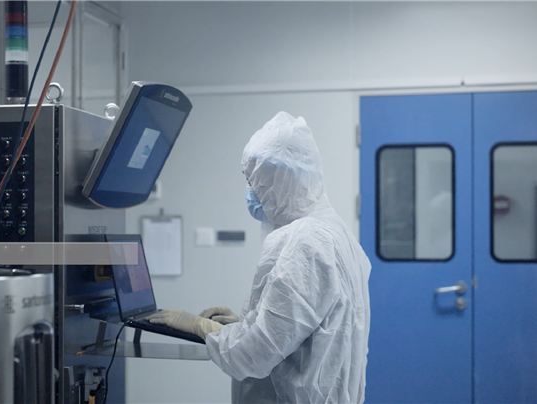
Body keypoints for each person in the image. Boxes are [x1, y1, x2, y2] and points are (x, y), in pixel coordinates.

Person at [147, 111, 371, 403]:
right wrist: (247, 324)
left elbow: (253, 355)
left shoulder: (304, 243)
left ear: (281, 181)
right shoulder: (334, 232)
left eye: (254, 181)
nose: (250, 191)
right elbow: (306, 328)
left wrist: (200, 326)